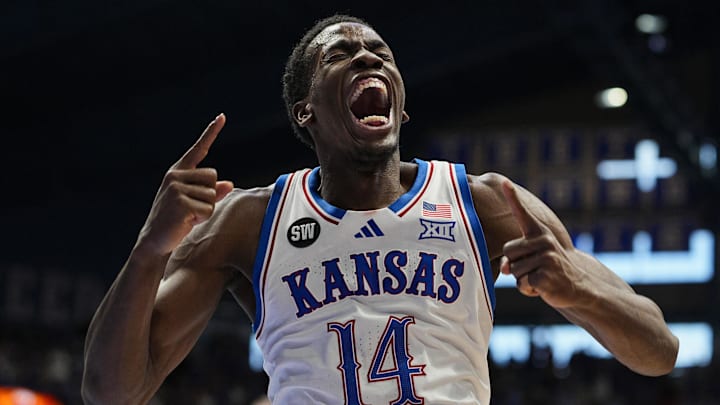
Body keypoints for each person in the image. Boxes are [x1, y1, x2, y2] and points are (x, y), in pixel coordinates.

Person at [81, 14, 679, 404]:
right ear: (305, 111)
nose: (368, 57)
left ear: (401, 106)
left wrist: (576, 288)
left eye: (379, 51)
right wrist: (150, 248)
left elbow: (658, 350)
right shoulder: (249, 221)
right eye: (339, 55)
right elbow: (110, 392)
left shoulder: (486, 202)